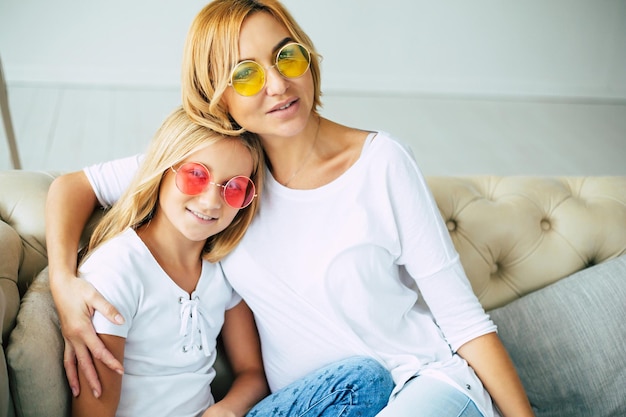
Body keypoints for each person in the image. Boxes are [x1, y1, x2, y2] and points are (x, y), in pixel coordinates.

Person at [46, 1, 535, 416]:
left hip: (422, 384)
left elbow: (466, 323)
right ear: (214, 94)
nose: (278, 85)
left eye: (287, 57)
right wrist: (64, 284)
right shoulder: (216, 177)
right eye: (246, 73)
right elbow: (72, 187)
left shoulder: (382, 163)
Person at [68, 106, 393, 417]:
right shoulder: (117, 269)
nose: (211, 201)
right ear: (162, 170)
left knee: (365, 379)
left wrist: (227, 409)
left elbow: (251, 373)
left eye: (234, 187)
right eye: (196, 175)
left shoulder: (222, 268)